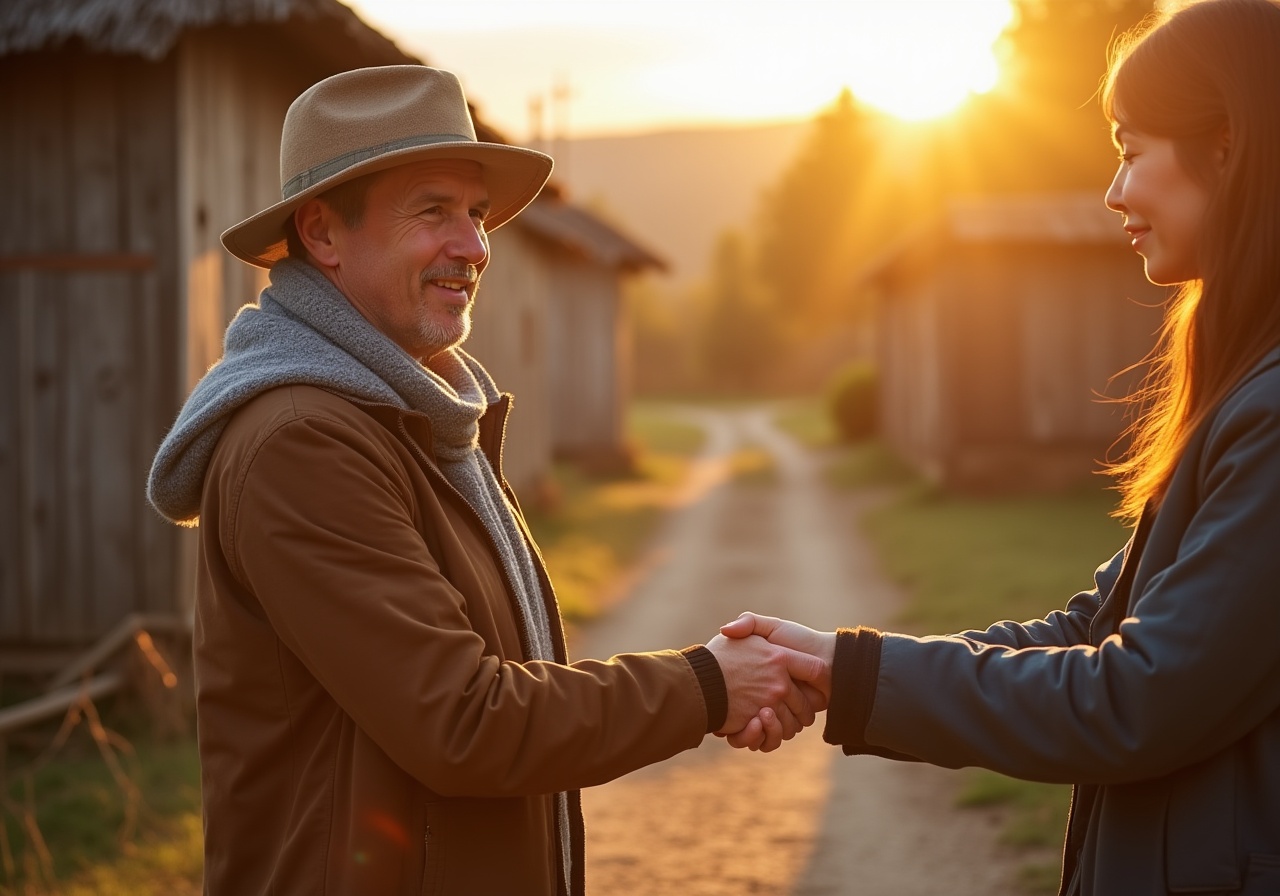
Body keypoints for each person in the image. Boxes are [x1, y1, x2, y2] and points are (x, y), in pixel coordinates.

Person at [147, 65, 824, 896]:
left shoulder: (417, 416)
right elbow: (466, 721)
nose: (473, 247)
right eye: (433, 211)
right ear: (322, 234)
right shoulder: (303, 445)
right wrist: (709, 684)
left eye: (475, 214)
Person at [722, 1, 1280, 893]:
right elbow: (1088, 635)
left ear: (1226, 148)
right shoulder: (1246, 392)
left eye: (1132, 152)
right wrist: (836, 663)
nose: (1112, 191)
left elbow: (1134, 701)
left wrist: (846, 669)